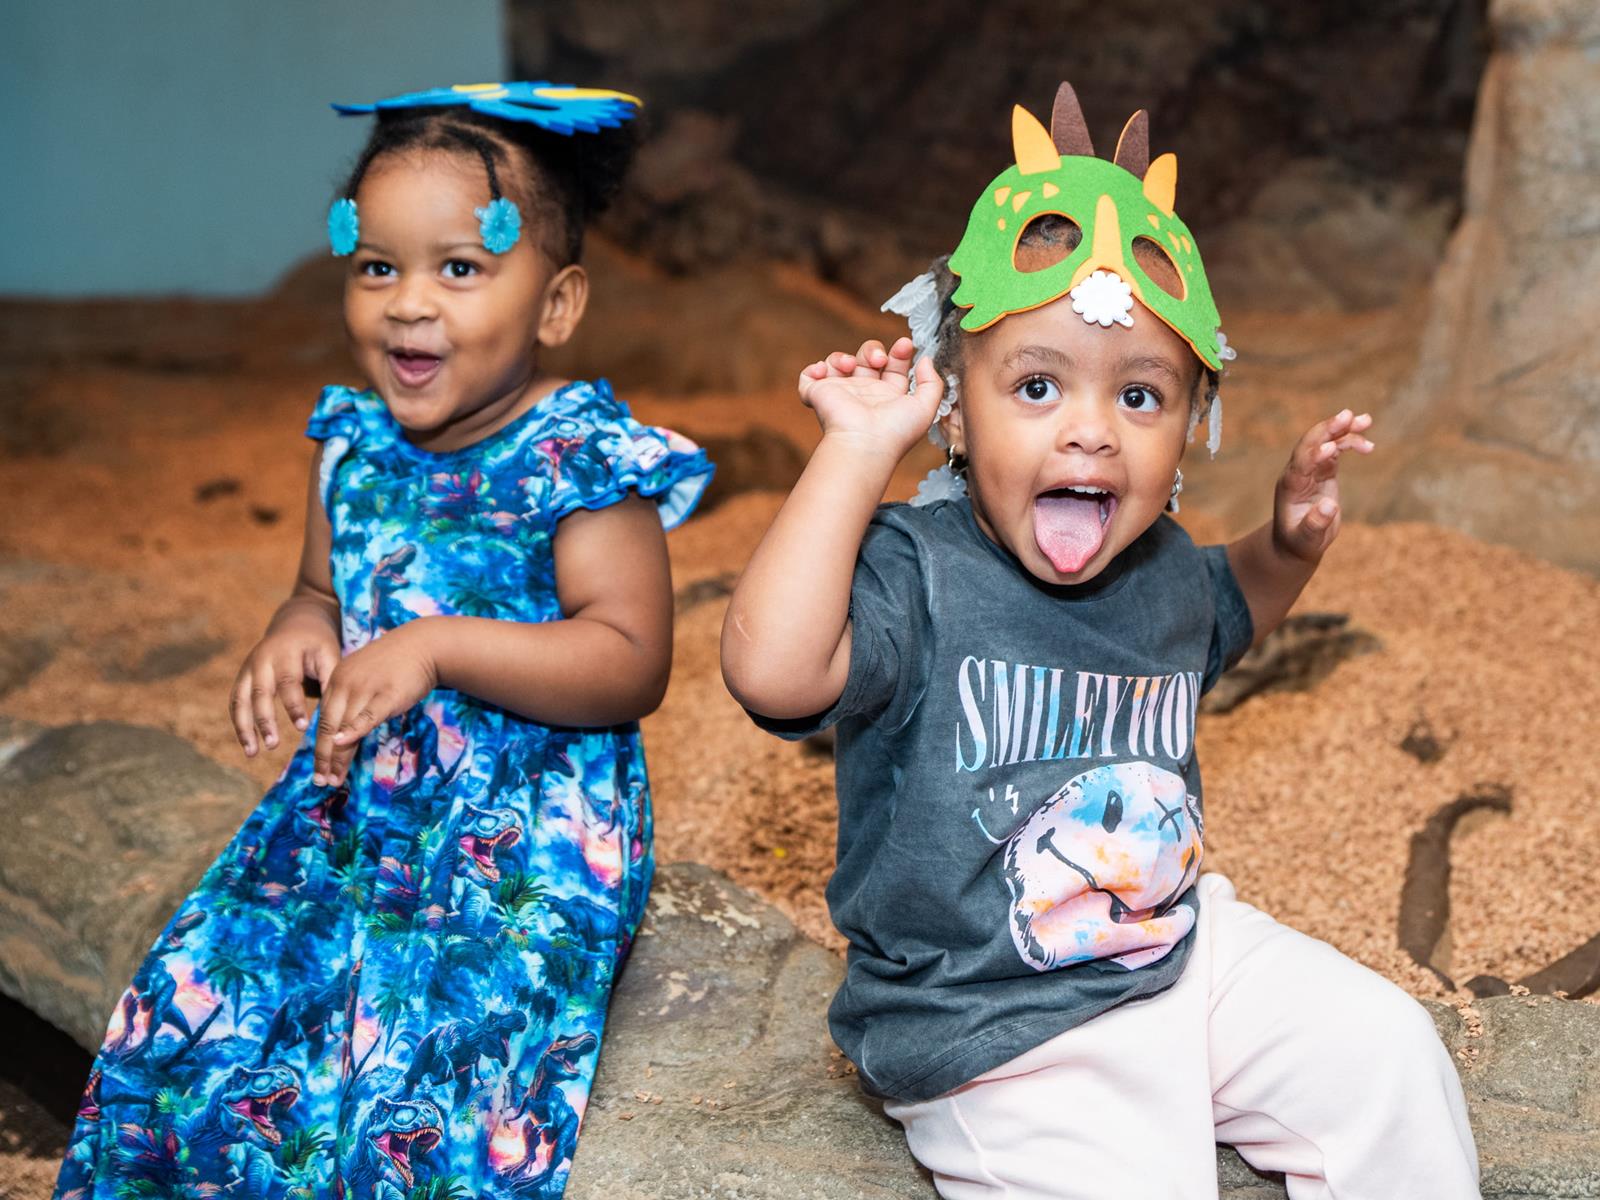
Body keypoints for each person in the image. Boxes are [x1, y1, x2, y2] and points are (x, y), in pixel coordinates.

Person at [721, 83, 1477, 1198]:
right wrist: (853, 454)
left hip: (1170, 949)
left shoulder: (1162, 569)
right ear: (953, 411)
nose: (1090, 427)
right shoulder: (914, 569)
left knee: (1387, 1050)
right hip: (990, 1021)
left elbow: (1229, 612)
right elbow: (770, 671)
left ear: (1189, 429)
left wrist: (1287, 545)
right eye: (1035, 386)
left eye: (1139, 395)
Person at [54, 81, 712, 1200]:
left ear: (556, 304)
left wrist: (441, 646)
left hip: (524, 837)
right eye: (377, 267)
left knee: (426, 1059)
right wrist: (296, 631)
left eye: (460, 269)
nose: (410, 304)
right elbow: (319, 588)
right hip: (355, 806)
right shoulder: (349, 449)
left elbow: (627, 662)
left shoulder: (581, 459)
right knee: (208, 999)